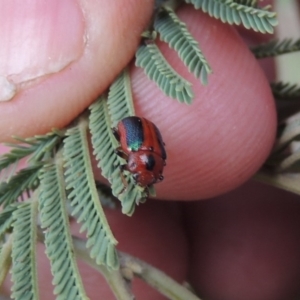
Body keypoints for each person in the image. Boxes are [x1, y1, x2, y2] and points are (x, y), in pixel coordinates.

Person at [1, 2, 300, 299]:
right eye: (140, 173)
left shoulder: (145, 158)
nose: (137, 176)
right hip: (134, 124)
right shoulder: (141, 153)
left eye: (139, 174)